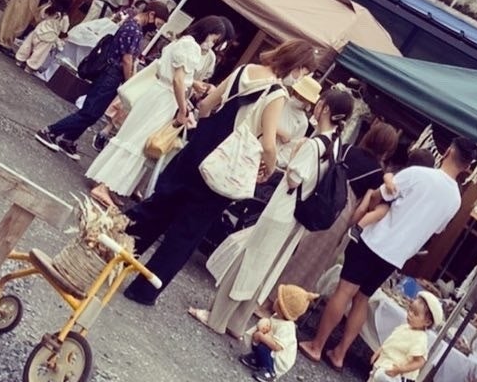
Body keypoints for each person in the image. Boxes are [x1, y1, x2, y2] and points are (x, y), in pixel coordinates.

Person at [119, 39, 318, 307]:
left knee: (157, 208)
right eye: (304, 72)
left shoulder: (244, 69)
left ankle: (113, 257)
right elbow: (269, 144)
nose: (301, 78)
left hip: (197, 151)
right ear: (296, 65)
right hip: (224, 166)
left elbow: (205, 107)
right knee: (185, 233)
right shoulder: (277, 93)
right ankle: (143, 291)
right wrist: (268, 167)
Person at [190, 87, 356, 337]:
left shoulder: (314, 144)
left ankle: (217, 318)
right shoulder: (335, 145)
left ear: (326, 109)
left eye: (320, 102)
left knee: (249, 262)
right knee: (266, 270)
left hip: (282, 210)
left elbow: (294, 179)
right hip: (298, 219)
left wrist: (295, 155)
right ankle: (237, 323)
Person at [299, 137, 476, 371]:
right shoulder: (455, 200)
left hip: (375, 239)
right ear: (467, 166)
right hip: (398, 254)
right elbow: (437, 230)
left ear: (449, 151)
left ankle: (317, 345)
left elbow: (378, 196)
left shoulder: (418, 174)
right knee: (362, 299)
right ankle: (340, 353)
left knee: (345, 291)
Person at [84, 16, 233, 200]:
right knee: (138, 141)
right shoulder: (191, 47)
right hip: (165, 98)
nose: (212, 44)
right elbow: (178, 80)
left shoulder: (182, 41)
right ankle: (104, 186)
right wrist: (183, 110)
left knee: (133, 137)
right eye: (214, 39)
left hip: (159, 94)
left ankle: (108, 183)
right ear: (207, 32)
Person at [274, 122, 398, 296]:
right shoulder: (377, 174)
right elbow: (361, 209)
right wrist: (347, 228)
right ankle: (285, 300)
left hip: (316, 197)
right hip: (338, 215)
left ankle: (267, 291)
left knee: (290, 247)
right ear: (387, 149)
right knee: (311, 262)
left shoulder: (346, 149)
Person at [34, 0, 169, 160]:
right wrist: (129, 82)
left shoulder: (134, 27)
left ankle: (68, 139)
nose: (156, 28)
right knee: (90, 112)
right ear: (151, 14)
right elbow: (127, 59)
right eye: (158, 23)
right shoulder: (133, 28)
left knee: (94, 112)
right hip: (111, 73)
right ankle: (50, 131)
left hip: (111, 73)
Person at [332, 292, 443, 382]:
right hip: (382, 365)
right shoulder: (406, 327)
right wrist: (379, 352)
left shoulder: (420, 339)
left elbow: (420, 361)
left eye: (415, 314)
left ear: (427, 322)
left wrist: (400, 369)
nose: (409, 314)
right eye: (410, 310)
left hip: (391, 371)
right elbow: (391, 342)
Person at [238, 284, 317, 382]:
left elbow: (277, 346)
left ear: (282, 307)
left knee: (263, 346)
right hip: (272, 345)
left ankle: (269, 371)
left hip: (279, 357)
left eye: (278, 300)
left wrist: (262, 337)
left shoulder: (286, 327)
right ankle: (257, 359)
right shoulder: (277, 316)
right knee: (259, 339)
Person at [14, 0, 71, 72]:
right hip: (49, 36)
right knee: (39, 53)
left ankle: (20, 59)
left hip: (39, 30)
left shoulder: (49, 8)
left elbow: (42, 15)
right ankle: (29, 67)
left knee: (27, 45)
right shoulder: (64, 17)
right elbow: (64, 30)